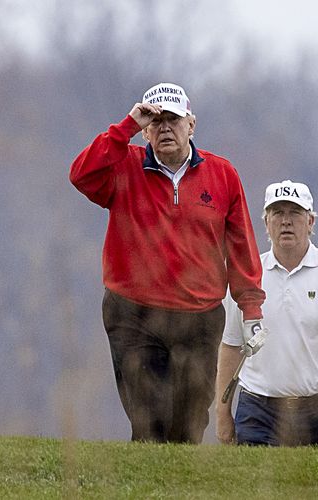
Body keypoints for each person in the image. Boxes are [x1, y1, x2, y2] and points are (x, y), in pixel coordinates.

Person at [69, 82, 266, 443]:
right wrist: (125, 126)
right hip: (134, 316)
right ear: (144, 129)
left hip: (200, 317)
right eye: (155, 121)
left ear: (191, 125)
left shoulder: (222, 175)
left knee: (189, 425)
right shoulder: (124, 165)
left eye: (172, 120)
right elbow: (81, 174)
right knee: (150, 421)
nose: (164, 128)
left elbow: (241, 245)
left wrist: (251, 309)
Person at [216, 180, 318, 447]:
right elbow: (231, 347)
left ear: (311, 222)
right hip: (257, 411)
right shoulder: (247, 273)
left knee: (316, 488)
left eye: (295, 213)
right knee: (254, 487)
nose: (286, 222)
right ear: (266, 223)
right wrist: (222, 413)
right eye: (278, 213)